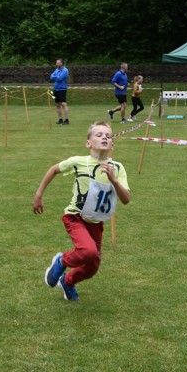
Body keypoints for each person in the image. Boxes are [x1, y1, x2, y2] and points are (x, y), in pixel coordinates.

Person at [32, 121, 131, 302]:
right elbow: (54, 169)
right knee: (88, 251)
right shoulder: (79, 162)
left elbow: (126, 199)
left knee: (92, 267)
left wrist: (114, 180)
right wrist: (39, 195)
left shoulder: (117, 168)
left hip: (96, 222)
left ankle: (67, 282)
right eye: (99, 135)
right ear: (88, 143)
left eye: (108, 136)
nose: (104, 137)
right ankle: (61, 261)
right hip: (75, 216)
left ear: (112, 145)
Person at [50, 59, 70, 125]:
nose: (56, 64)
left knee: (63, 104)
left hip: (62, 89)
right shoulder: (56, 70)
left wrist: (55, 77)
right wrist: (56, 77)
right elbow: (51, 77)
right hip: (56, 89)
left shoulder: (65, 70)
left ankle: (66, 120)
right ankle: (60, 119)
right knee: (57, 104)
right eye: (56, 63)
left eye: (58, 63)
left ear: (61, 63)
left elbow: (60, 78)